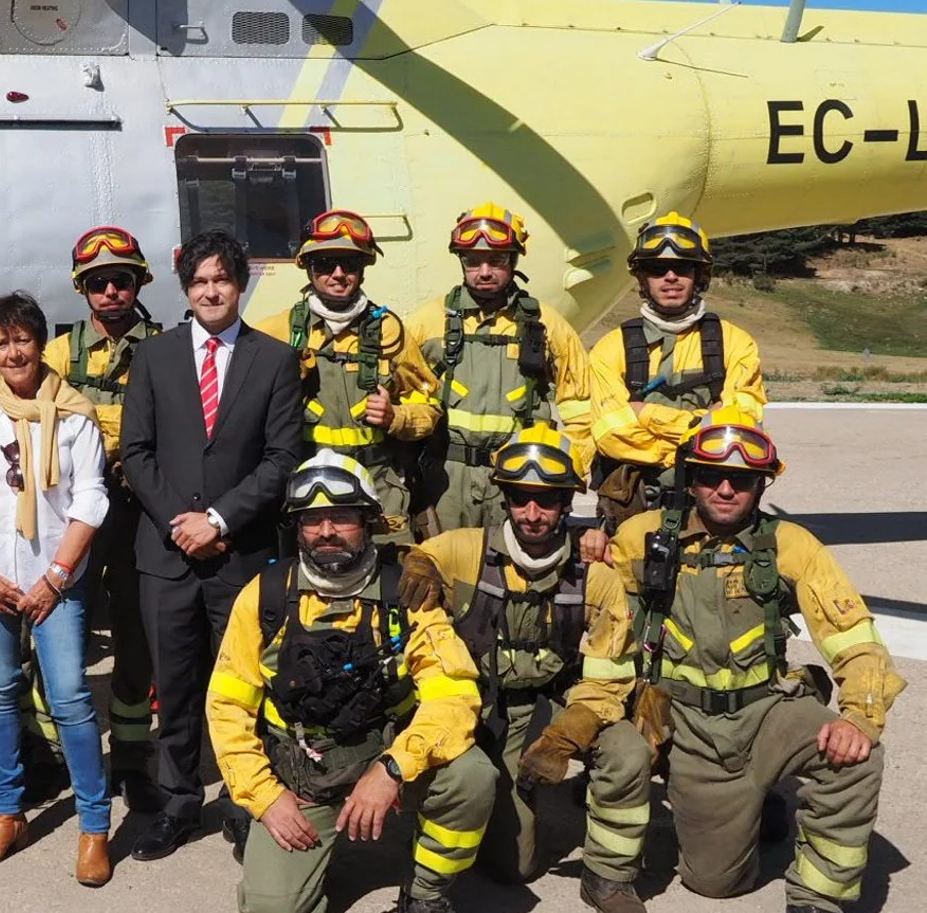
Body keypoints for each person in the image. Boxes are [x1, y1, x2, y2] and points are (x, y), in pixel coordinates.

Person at [598, 409, 903, 913]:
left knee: (857, 758)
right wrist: (590, 548)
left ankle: (816, 901)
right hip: (682, 718)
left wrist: (859, 716)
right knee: (717, 883)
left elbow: (853, 636)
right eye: (711, 476)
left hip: (765, 711)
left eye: (740, 480)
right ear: (691, 480)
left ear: (761, 485)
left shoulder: (791, 545)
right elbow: (594, 602)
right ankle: (748, 803)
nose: (725, 489)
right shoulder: (641, 537)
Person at [207, 452, 494, 913]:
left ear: (369, 522)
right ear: (296, 528)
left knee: (471, 776)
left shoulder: (406, 594)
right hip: (302, 777)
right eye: (312, 520)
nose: (326, 532)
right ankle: (261, 831)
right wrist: (264, 798)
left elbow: (455, 694)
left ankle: (424, 894)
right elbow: (227, 709)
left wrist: (393, 769)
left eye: (341, 517)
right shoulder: (263, 597)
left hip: (386, 757)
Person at [398, 425, 647, 894]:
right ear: (505, 499)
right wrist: (419, 563)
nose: (532, 514)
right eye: (520, 499)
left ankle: (609, 879)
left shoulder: (595, 575)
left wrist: (565, 737)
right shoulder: (466, 549)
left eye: (547, 501)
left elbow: (609, 680)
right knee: (498, 847)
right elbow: (418, 553)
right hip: (477, 708)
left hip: (550, 706)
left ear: (566, 503)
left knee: (627, 752)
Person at [121, 228, 303, 861]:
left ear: (240, 284)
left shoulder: (275, 360)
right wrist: (183, 522)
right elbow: (136, 453)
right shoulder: (154, 357)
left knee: (241, 684)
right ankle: (177, 802)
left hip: (241, 554)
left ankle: (243, 798)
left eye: (220, 280)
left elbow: (282, 458)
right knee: (174, 686)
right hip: (167, 556)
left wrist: (219, 521)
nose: (210, 291)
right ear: (185, 289)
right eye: (198, 282)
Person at [0, 291, 115, 886]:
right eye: (2, 342)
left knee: (69, 697)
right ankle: (7, 815)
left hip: (56, 579)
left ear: (40, 343)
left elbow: (90, 498)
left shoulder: (76, 413)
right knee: (0, 692)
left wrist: (57, 577)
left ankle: (93, 827)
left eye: (23, 339)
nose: (14, 352)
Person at [43, 225, 167, 812]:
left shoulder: (169, 346)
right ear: (83, 291)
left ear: (138, 283)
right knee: (57, 632)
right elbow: (31, 414)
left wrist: (99, 428)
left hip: (141, 515)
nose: (112, 292)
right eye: (99, 284)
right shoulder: (58, 353)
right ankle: (52, 755)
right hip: (75, 517)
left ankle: (134, 759)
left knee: (135, 637)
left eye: (122, 281)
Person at [407, 206, 596, 530]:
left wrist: (564, 473)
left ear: (513, 261)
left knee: (512, 575)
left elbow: (581, 407)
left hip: (520, 481)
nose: (484, 271)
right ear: (461, 261)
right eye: (473, 261)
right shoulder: (426, 322)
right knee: (444, 568)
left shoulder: (547, 325)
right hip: (445, 483)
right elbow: (403, 398)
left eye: (497, 261)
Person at [259, 210, 439, 542]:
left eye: (350, 265)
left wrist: (396, 417)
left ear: (364, 269)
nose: (338, 274)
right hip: (309, 493)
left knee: (390, 582)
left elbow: (428, 405)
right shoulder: (278, 331)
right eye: (326, 263)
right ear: (309, 269)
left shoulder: (390, 332)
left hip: (379, 492)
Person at [588, 213, 766, 530]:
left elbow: (742, 426)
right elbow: (610, 435)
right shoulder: (610, 348)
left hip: (711, 501)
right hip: (635, 506)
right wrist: (701, 427)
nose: (670, 277)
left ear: (699, 274)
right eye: (657, 269)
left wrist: (644, 414)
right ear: (642, 278)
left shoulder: (736, 343)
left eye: (682, 267)